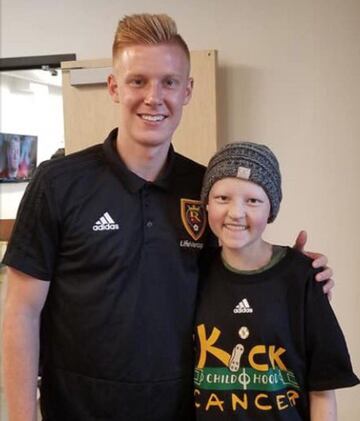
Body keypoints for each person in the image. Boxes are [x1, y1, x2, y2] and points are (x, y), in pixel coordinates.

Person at [2, 14, 333, 421]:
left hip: (182, 408)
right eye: (138, 81)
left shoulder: (206, 190)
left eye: (169, 82)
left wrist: (296, 275)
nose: (153, 97)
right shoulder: (58, 183)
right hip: (79, 407)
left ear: (188, 90)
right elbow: (21, 311)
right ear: (113, 87)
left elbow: (235, 276)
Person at [194, 142, 359, 420]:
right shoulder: (192, 271)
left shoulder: (303, 276)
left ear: (271, 208)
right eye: (223, 198)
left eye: (253, 201)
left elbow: (323, 386)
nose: (236, 212)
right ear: (206, 203)